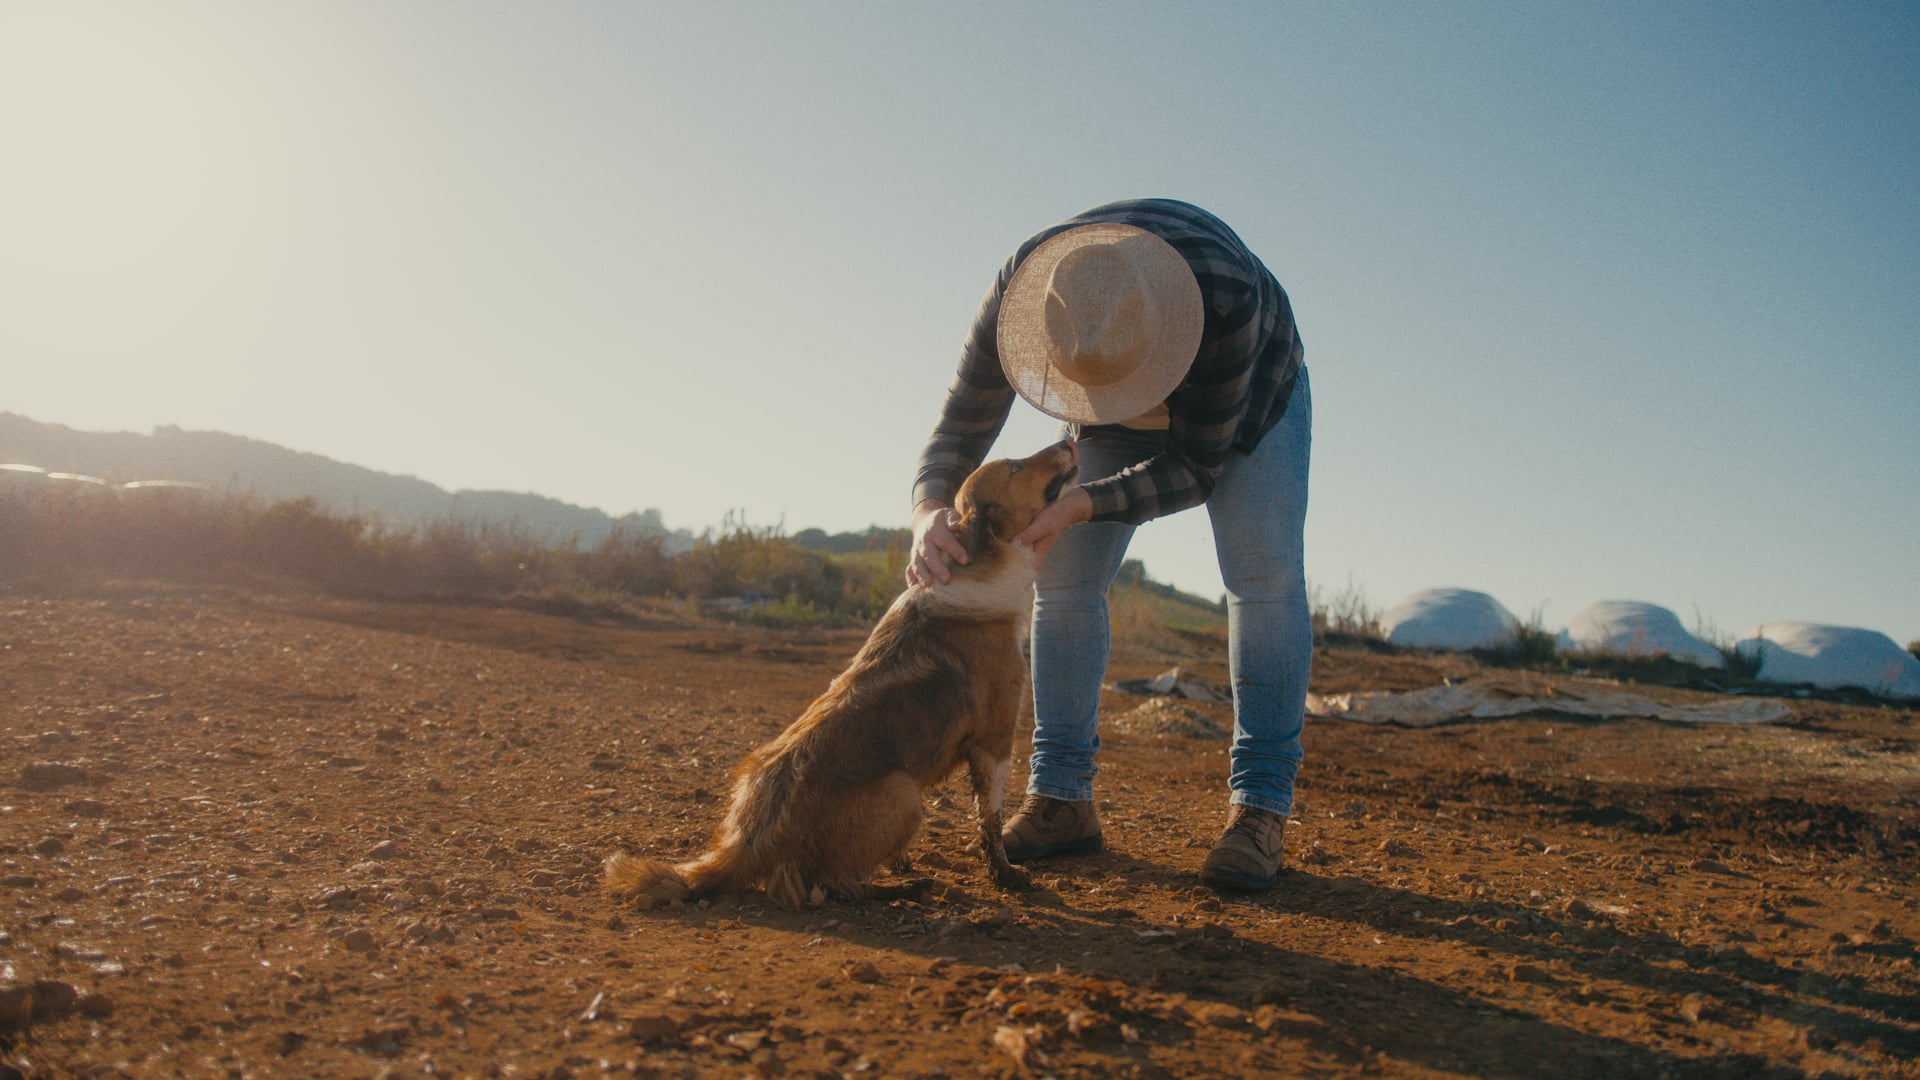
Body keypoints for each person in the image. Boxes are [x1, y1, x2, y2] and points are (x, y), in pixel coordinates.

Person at [908, 198, 1311, 890]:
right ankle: (1062, 798)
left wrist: (1081, 504)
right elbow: (958, 428)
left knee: (1261, 579)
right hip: (1110, 394)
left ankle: (1259, 810)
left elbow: (1193, 467)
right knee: (1061, 579)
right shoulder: (1026, 292)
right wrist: (927, 513)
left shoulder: (1226, 296)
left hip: (1247, 397)